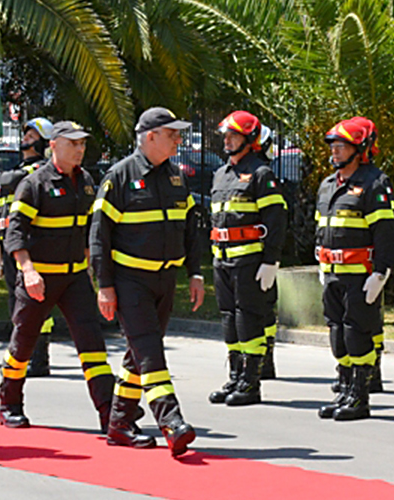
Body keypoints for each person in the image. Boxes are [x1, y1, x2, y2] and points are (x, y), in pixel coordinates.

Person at [92, 107, 206, 457]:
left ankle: (119, 423)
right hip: (131, 281)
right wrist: (105, 285)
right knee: (151, 353)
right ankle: (172, 423)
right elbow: (99, 236)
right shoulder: (120, 176)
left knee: (138, 355)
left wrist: (195, 273)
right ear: (150, 136)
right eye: (172, 134)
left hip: (165, 279)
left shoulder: (176, 177)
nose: (179, 140)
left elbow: (190, 229)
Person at [0, 121, 117, 436]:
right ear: (54, 145)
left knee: (92, 344)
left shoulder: (87, 181)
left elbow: (90, 228)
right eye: (73, 143)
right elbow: (15, 231)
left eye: (82, 144)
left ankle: (108, 411)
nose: (79, 149)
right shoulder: (33, 183)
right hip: (41, 276)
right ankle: (9, 404)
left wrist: (92, 268)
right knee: (23, 342)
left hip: (75, 277)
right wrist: (29, 270)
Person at [314, 117, 394, 422]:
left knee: (357, 334)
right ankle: (346, 390)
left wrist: (380, 273)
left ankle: (360, 397)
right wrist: (320, 261)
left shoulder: (374, 183)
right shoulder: (327, 185)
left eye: (342, 146)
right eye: (334, 146)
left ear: (360, 149)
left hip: (360, 276)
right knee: (337, 334)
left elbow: (387, 232)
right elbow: (321, 227)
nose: (335, 152)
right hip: (333, 273)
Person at [206, 111, 287, 407]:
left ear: (250, 139)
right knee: (229, 319)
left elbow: (276, 221)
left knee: (248, 318)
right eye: (225, 136)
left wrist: (271, 261)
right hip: (222, 260)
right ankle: (235, 375)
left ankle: (251, 382)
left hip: (250, 262)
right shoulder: (221, 173)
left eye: (234, 135)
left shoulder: (261, 174)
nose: (227, 141)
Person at [0, 117, 60, 377]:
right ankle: (21, 353)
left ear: (44, 142)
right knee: (17, 301)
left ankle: (39, 359)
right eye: (26, 135)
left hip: (31, 246)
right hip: (12, 244)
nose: (25, 140)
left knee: (36, 302)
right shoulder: (21, 166)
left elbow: (11, 179)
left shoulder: (39, 169)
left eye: (32, 137)